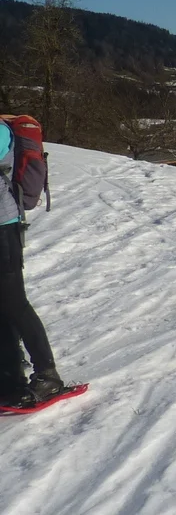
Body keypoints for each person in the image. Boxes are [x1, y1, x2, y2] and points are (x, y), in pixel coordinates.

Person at [0, 119, 62, 405]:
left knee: (15, 303)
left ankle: (48, 376)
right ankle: (10, 377)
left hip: (3, 230)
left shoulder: (1, 131)